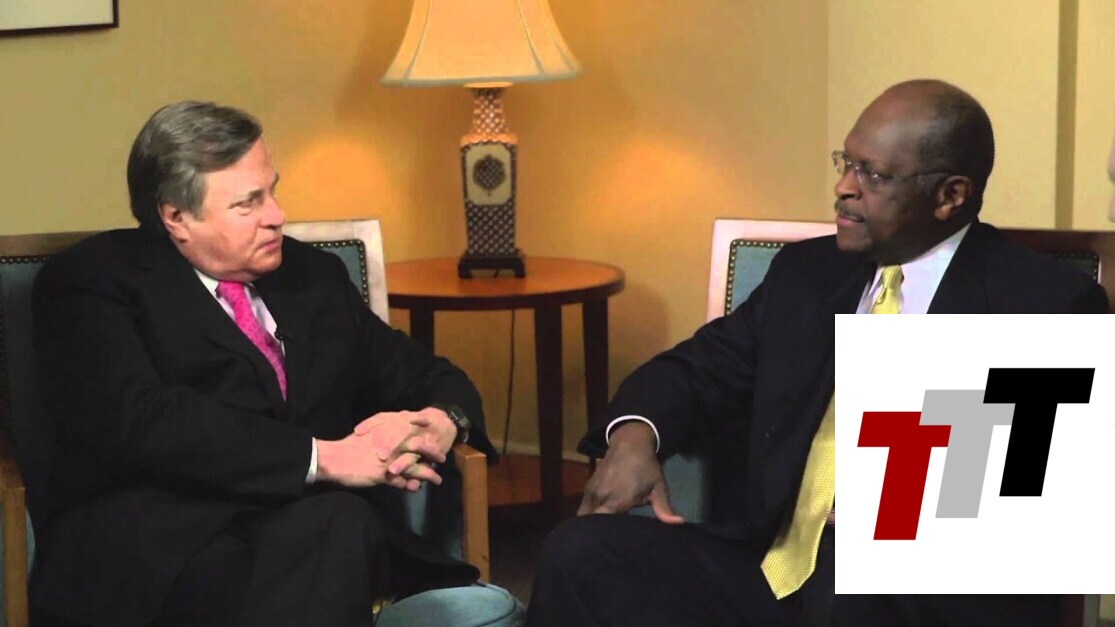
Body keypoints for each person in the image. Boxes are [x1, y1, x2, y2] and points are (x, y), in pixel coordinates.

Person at [526, 80, 1108, 626]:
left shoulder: (1039, 304)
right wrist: (634, 437)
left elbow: (1033, 517)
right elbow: (697, 369)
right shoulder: (807, 274)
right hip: (776, 570)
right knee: (578, 551)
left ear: (949, 195)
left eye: (872, 175)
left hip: (918, 598)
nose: (844, 188)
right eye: (845, 163)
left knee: (850, 594)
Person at [31, 101, 517, 627]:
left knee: (338, 525)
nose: (277, 216)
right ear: (176, 217)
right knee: (331, 531)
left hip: (315, 533)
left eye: (273, 191)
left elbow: (432, 377)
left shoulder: (314, 278)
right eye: (249, 202)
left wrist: (441, 423)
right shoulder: (92, 283)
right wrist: (324, 458)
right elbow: (142, 421)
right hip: (167, 543)